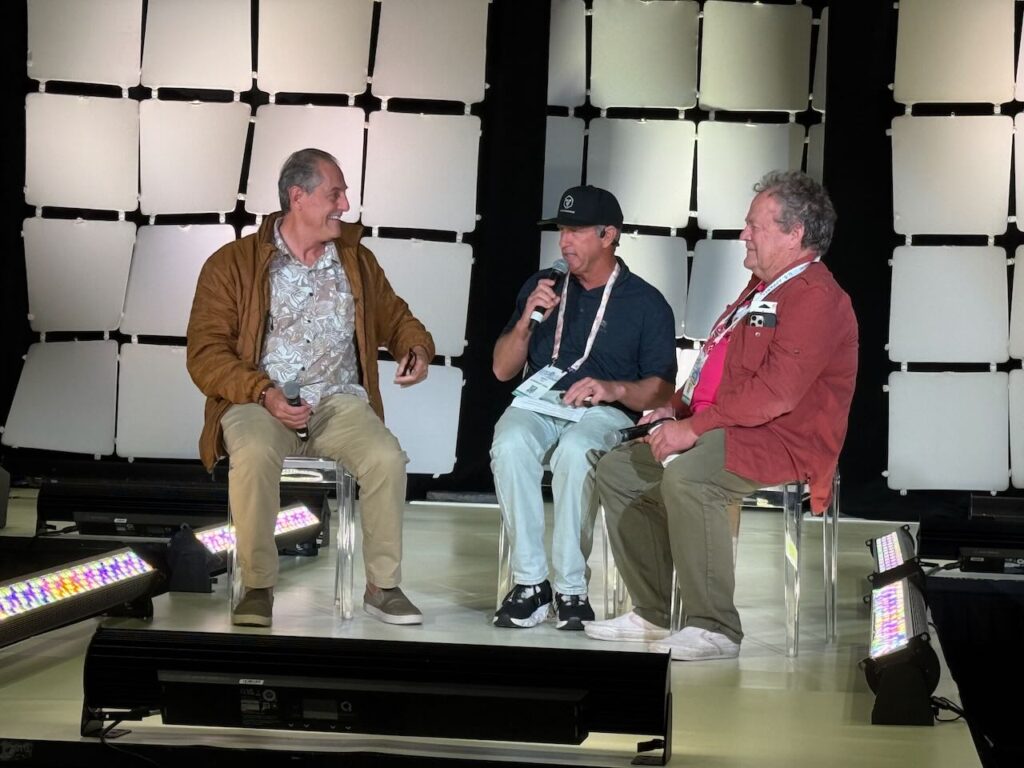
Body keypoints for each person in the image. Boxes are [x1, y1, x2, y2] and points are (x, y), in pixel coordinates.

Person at [585, 170, 858, 660]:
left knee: (691, 477)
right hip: (729, 426)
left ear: (794, 233)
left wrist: (691, 429)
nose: (743, 235)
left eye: (755, 225)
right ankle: (652, 612)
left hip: (783, 438)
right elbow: (718, 369)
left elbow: (776, 393)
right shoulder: (761, 288)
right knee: (618, 471)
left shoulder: (815, 296)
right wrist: (675, 408)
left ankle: (715, 627)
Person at [186, 147, 434, 628]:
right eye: (334, 193)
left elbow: (398, 318)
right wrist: (264, 393)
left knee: (385, 458)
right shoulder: (231, 264)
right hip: (259, 399)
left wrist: (416, 350)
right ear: (298, 197)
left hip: (339, 402)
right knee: (253, 455)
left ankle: (383, 587)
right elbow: (206, 354)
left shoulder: (355, 261)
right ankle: (257, 586)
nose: (344, 204)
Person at [490, 185, 677, 631]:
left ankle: (571, 588)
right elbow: (501, 370)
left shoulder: (646, 302)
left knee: (577, 452)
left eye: (575, 231)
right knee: (510, 442)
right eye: (561, 231)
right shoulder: (543, 286)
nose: (564, 242)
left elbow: (659, 389)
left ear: (608, 234)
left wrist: (612, 389)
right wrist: (525, 321)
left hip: (604, 408)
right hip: (542, 399)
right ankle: (531, 583)